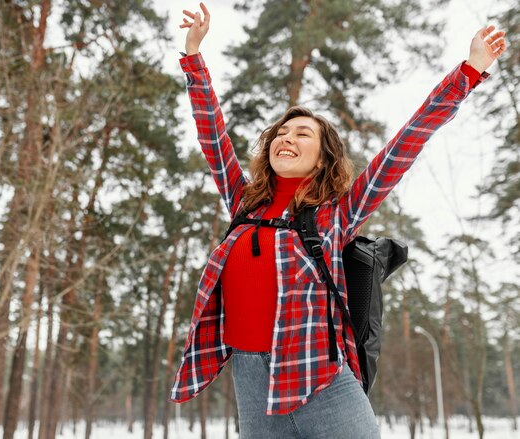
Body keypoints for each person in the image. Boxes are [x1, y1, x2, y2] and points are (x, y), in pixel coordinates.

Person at [168, 3, 507, 438]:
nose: (286, 138)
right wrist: (193, 57)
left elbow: (408, 140)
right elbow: (211, 132)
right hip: (253, 384)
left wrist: (469, 71)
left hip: (322, 382)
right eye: (280, 134)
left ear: (324, 155)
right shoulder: (243, 205)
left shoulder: (335, 214)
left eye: (301, 134)